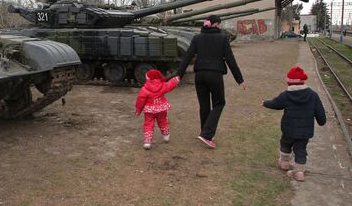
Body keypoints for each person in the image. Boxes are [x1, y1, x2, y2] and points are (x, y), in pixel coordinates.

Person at [176, 14, 246, 149]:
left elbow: (187, 57)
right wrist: (239, 79)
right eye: (218, 24)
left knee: (204, 105)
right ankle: (207, 134)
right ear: (215, 24)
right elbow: (230, 60)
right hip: (215, 75)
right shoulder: (223, 39)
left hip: (200, 76)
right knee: (219, 103)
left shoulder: (197, 38)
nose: (219, 26)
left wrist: (179, 75)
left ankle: (205, 132)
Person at [262, 66, 326, 181]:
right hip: (304, 132)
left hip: (288, 129)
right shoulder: (313, 95)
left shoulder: (286, 95)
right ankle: (299, 172)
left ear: (289, 82)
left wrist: (265, 103)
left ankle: (284, 163)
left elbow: (275, 103)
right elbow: (320, 112)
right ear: (303, 81)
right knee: (300, 149)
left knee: (285, 144)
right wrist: (322, 121)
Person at [135, 70, 180, 150]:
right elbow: (170, 84)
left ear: (148, 78)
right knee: (163, 121)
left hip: (149, 110)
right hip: (161, 108)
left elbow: (140, 100)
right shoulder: (162, 85)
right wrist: (176, 79)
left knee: (148, 124)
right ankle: (166, 135)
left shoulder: (144, 89)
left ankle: (147, 142)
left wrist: (138, 110)